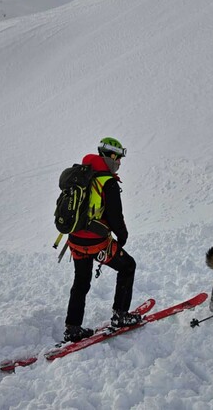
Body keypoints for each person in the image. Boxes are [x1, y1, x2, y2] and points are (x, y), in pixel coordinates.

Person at [63, 137, 141, 342]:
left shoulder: (81, 175)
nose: (120, 163)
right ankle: (121, 315)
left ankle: (73, 327)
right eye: (118, 158)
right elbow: (116, 217)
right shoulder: (108, 182)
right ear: (111, 156)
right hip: (96, 243)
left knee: (81, 281)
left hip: (75, 241)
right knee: (128, 266)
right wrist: (122, 236)